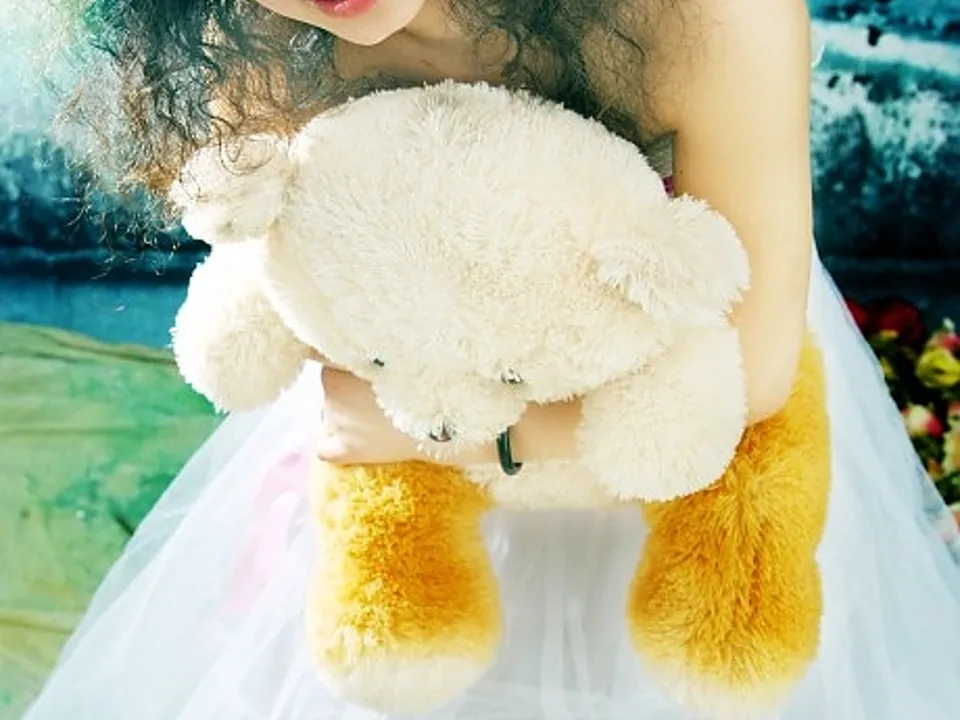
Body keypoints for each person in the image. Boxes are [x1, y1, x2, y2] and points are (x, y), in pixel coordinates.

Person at [25, 0, 960, 718]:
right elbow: (300, 278)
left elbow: (751, 368)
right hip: (404, 414)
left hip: (668, 421)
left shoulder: (705, 15)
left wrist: (450, 435)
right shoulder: (254, 29)